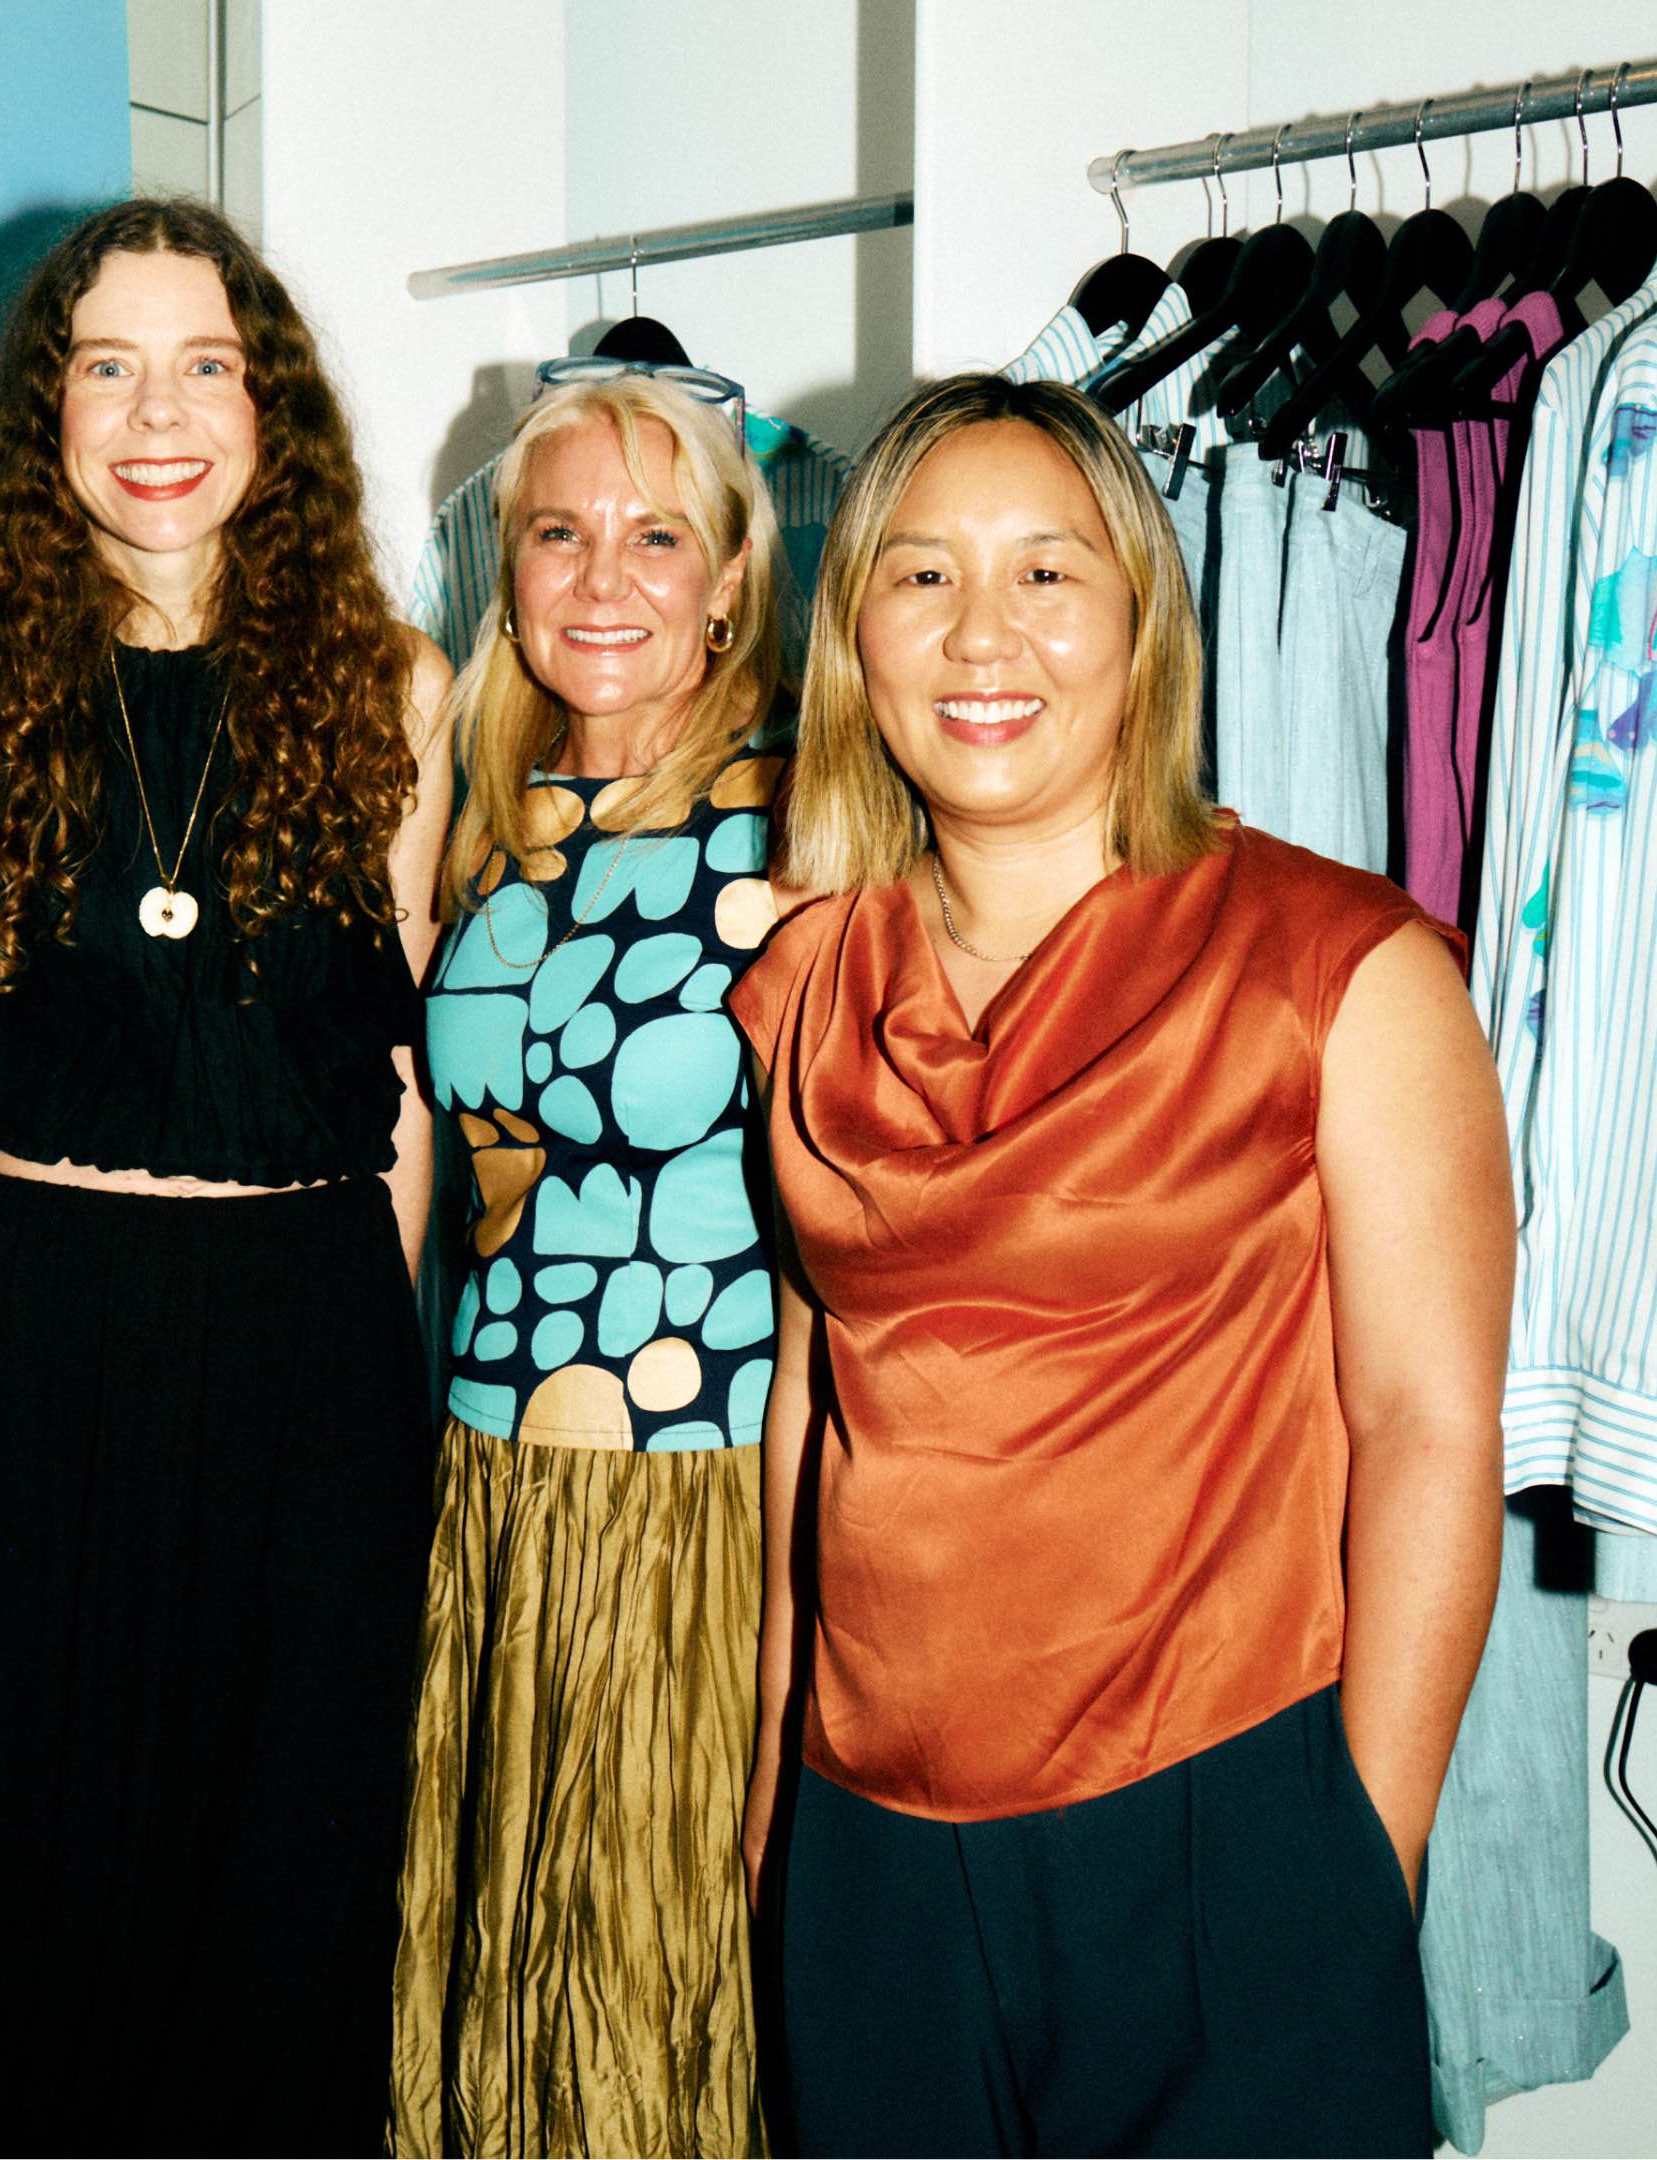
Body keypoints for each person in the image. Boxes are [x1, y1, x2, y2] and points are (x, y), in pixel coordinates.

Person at [728, 373, 1507, 2158]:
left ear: (1144, 619)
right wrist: (781, 1793)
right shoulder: (808, 981)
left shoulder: (1340, 965)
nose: (981, 635)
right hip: (868, 1859)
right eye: (922, 575)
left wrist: (1358, 1862)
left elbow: (1429, 1431)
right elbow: (808, 1411)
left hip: (1223, 1840)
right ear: (855, 638)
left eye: (1046, 573)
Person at [0, 197, 452, 2155]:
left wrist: (377, 1383)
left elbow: (395, 1075)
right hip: (42, 1346)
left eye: (205, 365)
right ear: (42, 418)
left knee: (289, 1914)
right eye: (106, 368)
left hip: (313, 1348)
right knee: (55, 1897)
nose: (157, 415)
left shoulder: (395, 688)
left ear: (268, 405)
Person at [389, 373, 788, 2158]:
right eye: (559, 533)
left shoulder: (813, 823)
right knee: (492, 1996)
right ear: (509, 568)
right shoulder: (487, 813)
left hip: (702, 1498)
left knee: (648, 1992)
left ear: (729, 581)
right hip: (487, 1489)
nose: (603, 579)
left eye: (656, 536)